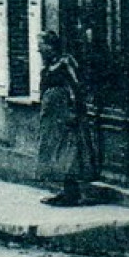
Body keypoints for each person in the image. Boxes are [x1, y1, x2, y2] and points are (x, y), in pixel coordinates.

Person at [36, 32, 97, 206]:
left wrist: (73, 111)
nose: (38, 49)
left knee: (68, 153)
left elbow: (75, 86)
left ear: (50, 45)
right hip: (52, 116)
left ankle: (73, 193)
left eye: (41, 45)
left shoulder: (65, 63)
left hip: (65, 115)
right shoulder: (49, 65)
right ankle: (63, 191)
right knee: (53, 151)